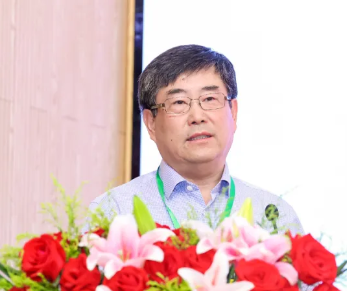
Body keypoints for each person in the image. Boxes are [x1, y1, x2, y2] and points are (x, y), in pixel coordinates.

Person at [89, 44, 303, 235]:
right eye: (179, 102)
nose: (197, 117)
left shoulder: (275, 216)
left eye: (209, 99)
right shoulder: (113, 213)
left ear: (233, 112)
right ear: (151, 123)